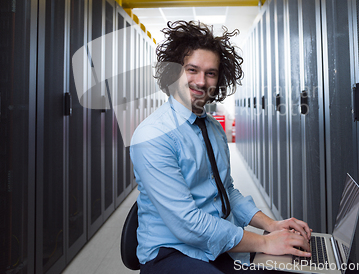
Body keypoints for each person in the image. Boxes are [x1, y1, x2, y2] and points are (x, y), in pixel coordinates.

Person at [130, 21, 311, 274]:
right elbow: (188, 224)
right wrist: (264, 242)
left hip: (215, 245)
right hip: (169, 253)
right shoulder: (153, 136)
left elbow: (226, 191)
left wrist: (272, 225)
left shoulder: (213, 128)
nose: (201, 82)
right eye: (192, 70)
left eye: (211, 73)